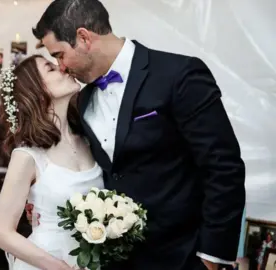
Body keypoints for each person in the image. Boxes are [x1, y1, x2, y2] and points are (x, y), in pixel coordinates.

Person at [26, 0, 246, 269]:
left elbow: (223, 167)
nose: (60, 66)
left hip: (182, 257)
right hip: (115, 261)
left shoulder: (179, 75)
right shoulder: (82, 101)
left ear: (83, 38)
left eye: (59, 54)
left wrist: (211, 257)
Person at [0, 55, 105, 270]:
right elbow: (2, 233)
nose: (63, 68)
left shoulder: (89, 140)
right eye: (51, 69)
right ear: (37, 91)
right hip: (44, 263)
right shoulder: (27, 155)